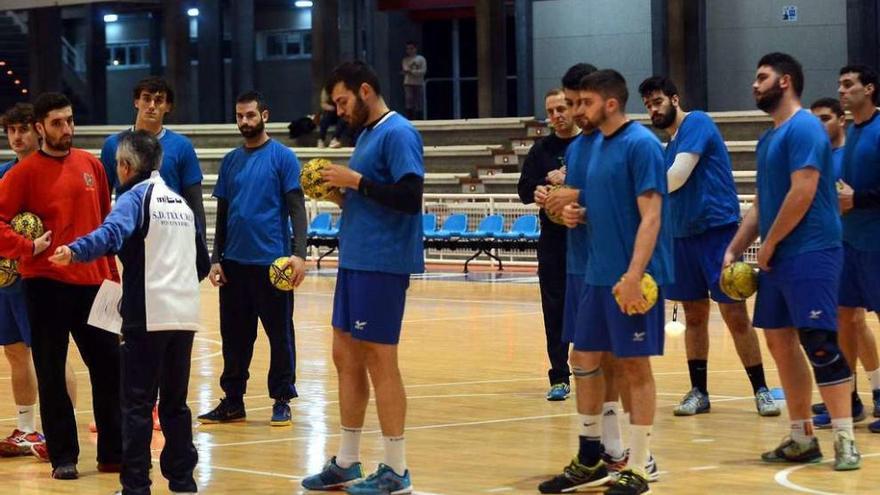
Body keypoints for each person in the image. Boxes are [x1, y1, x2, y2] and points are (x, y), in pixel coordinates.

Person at [49, 129, 209, 495]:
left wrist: (75, 251)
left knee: (136, 404)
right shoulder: (180, 203)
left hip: (147, 316)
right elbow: (201, 262)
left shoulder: (135, 198)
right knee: (174, 405)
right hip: (183, 316)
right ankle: (183, 480)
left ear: (124, 166)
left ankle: (136, 485)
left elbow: (110, 234)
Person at [724, 52, 860, 471]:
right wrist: (736, 246)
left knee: (819, 343)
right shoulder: (769, 139)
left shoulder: (804, 128)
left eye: (762, 77)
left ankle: (844, 439)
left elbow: (803, 192)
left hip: (812, 250)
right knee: (780, 343)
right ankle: (802, 437)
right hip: (779, 257)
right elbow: (763, 203)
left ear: (784, 82)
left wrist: (768, 246)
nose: (754, 83)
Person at [540, 69, 672, 495]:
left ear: (610, 104)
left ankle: (640, 462)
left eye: (584, 104)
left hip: (631, 275)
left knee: (634, 365)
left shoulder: (642, 145)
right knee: (583, 360)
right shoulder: (587, 147)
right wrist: (571, 212)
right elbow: (586, 203)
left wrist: (635, 275)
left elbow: (651, 215)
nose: (576, 110)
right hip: (595, 273)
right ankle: (590, 454)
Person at [301, 60, 424, 495]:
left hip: (382, 262)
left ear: (366, 90)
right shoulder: (368, 136)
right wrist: (341, 194)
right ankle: (347, 460)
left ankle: (396, 468)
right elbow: (372, 198)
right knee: (345, 357)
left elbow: (410, 196)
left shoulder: (397, 132)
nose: (339, 109)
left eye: (342, 100)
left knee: (379, 360)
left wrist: (356, 180)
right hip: (356, 260)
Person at [637, 76, 779, 417]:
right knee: (694, 316)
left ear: (674, 98)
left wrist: (634, 192)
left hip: (717, 233)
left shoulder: (697, 121)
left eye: (657, 101)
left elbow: (676, 177)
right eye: (647, 106)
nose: (653, 110)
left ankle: (761, 389)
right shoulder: (666, 147)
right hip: (681, 237)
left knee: (734, 313)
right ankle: (699, 391)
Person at [0, 92, 122, 479]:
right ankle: (64, 456)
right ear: (40, 127)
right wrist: (25, 247)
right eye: (57, 123)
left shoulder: (92, 166)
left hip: (93, 284)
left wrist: (115, 284)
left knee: (109, 371)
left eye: (69, 120)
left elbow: (106, 228)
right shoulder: (21, 174)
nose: (66, 129)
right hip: (45, 286)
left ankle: (113, 454)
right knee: (50, 373)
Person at [198, 91, 307, 427]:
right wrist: (216, 258)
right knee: (234, 337)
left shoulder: (283, 158)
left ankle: (281, 398)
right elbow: (225, 211)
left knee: (280, 335)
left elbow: (296, 208)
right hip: (234, 266)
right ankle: (233, 401)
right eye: (239, 116)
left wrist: (299, 255)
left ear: (265, 115)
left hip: (272, 266)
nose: (244, 122)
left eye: (250, 115)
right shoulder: (231, 161)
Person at [516, 85, 580, 401]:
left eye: (561, 109)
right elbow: (524, 188)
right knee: (553, 308)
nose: (556, 116)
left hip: (586, 239)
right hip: (553, 241)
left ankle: (593, 371)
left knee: (587, 306)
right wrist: (539, 190)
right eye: (551, 111)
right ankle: (559, 376)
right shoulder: (541, 150)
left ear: (574, 108)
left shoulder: (588, 144)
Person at [831, 65, 880, 433]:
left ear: (870, 88)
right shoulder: (851, 135)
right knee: (844, 318)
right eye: (840, 86)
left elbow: (858, 195)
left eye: (849, 85)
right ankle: (848, 399)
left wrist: (858, 199)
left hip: (876, 243)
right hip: (848, 243)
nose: (842, 91)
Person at [100, 77, 205, 237]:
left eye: (158, 100)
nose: (151, 106)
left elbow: (195, 204)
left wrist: (201, 255)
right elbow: (102, 199)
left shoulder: (182, 146)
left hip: (169, 235)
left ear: (168, 107)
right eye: (146, 99)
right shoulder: (113, 144)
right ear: (136, 102)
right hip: (127, 235)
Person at [401, 41, 427, 120]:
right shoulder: (405, 60)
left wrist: (412, 72)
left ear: (415, 49)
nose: (409, 50)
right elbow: (405, 69)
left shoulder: (421, 59)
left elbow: (423, 71)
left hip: (418, 83)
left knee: (418, 102)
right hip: (408, 83)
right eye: (408, 49)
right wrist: (409, 72)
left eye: (411, 48)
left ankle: (419, 118)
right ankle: (410, 119)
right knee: (409, 101)